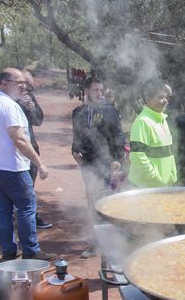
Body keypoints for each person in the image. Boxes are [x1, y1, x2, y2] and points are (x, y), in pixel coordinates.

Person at [0, 67, 56, 261]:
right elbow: (19, 139)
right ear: (3, 83)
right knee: (27, 206)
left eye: (24, 83)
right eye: (18, 82)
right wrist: (40, 164)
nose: (23, 86)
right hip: (11, 167)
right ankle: (32, 251)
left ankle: (9, 251)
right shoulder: (9, 105)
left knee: (4, 206)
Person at [72, 76, 125, 258]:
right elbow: (77, 135)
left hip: (107, 162)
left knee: (108, 200)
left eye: (101, 90)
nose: (99, 93)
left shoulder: (110, 111)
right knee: (92, 200)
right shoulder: (78, 112)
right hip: (88, 163)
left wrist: (118, 157)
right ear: (87, 91)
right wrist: (74, 150)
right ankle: (94, 243)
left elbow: (118, 135)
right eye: (95, 90)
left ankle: (112, 241)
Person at [18, 70, 52, 230]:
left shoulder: (29, 97)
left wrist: (31, 108)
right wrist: (19, 104)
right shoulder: (5, 98)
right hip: (14, 152)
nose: (28, 90)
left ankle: (30, 217)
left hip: (30, 149)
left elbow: (39, 120)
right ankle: (21, 220)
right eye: (26, 86)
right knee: (19, 188)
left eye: (31, 88)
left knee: (29, 186)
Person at [128, 79, 177, 188]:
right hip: (146, 188)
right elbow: (137, 157)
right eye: (160, 97)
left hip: (162, 186)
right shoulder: (142, 122)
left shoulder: (162, 119)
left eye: (166, 97)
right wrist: (156, 180)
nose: (165, 101)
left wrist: (171, 177)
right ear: (148, 99)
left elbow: (168, 153)